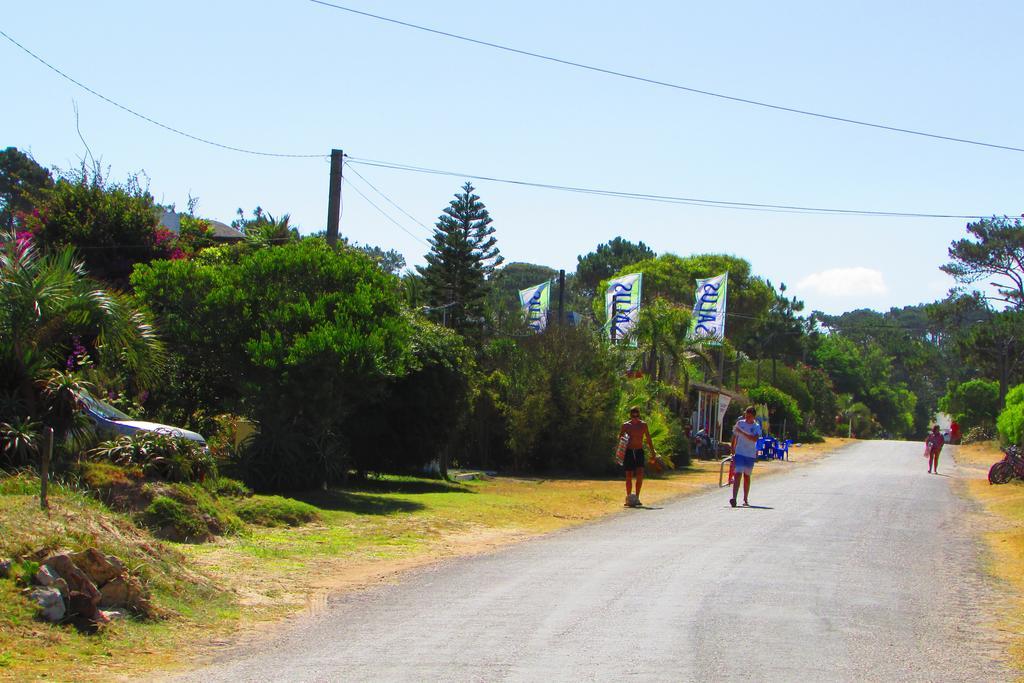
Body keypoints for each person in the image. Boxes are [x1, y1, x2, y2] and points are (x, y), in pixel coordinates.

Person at [618, 406, 656, 507]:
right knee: (629, 475)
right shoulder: (626, 425)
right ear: (630, 415)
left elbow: (648, 439)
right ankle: (629, 498)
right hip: (629, 451)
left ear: (639, 415)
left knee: (640, 474)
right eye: (633, 415)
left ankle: (637, 497)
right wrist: (620, 454)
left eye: (636, 415)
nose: (635, 417)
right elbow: (620, 439)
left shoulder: (643, 425)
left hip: (639, 451)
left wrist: (653, 452)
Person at [729, 406, 762, 507]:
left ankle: (745, 498)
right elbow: (734, 436)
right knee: (738, 473)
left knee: (747, 476)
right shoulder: (740, 423)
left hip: (750, 454)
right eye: (746, 416)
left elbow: (754, 439)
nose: (747, 418)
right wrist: (732, 448)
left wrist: (742, 432)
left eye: (749, 416)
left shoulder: (756, 426)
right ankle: (734, 498)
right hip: (740, 452)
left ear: (753, 416)